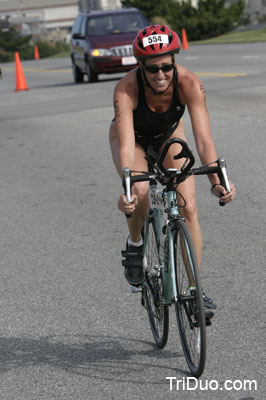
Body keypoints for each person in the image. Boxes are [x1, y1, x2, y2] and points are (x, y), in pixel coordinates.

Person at [109, 25, 235, 315]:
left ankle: (195, 292)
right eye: (152, 69)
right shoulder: (126, 89)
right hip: (133, 140)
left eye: (167, 66)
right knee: (140, 190)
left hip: (169, 136)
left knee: (188, 207)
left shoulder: (190, 82)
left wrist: (218, 182)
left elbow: (203, 139)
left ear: (174, 62)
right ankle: (135, 244)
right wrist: (128, 188)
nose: (161, 74)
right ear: (140, 67)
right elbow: (127, 146)